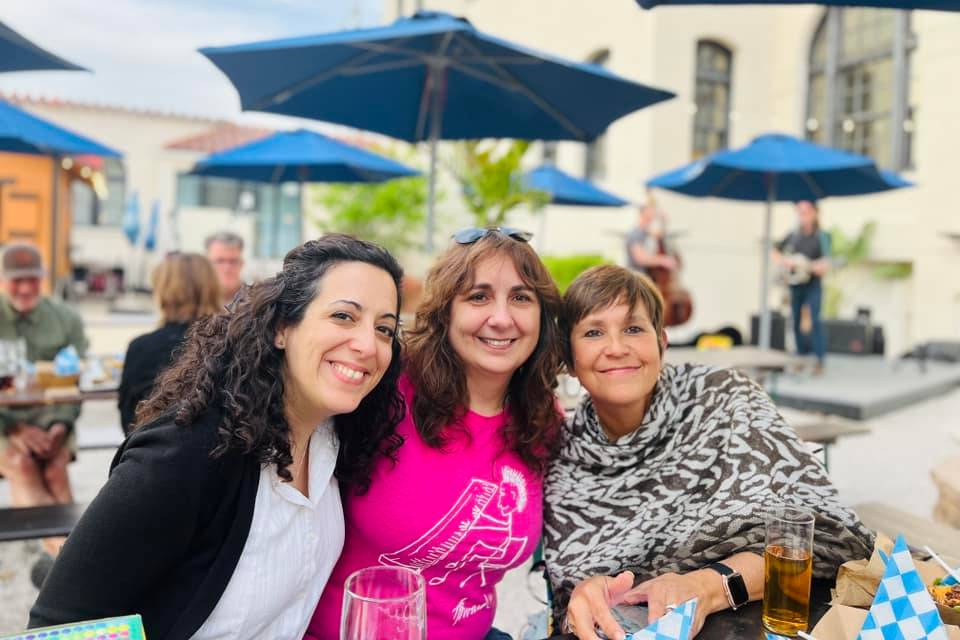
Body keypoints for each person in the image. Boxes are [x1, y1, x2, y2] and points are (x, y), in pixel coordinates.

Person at [30, 235, 406, 640]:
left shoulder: (339, 438)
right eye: (344, 317)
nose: (368, 344)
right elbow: (59, 627)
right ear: (283, 328)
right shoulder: (190, 452)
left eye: (385, 329)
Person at [544, 265, 874, 640]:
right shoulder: (562, 459)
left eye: (634, 328)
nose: (617, 348)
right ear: (568, 359)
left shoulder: (725, 399)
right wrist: (584, 600)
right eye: (593, 332)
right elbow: (568, 605)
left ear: (662, 342)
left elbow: (832, 538)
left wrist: (708, 586)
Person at [307, 227, 565, 640]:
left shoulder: (542, 420)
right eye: (478, 296)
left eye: (521, 297)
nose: (501, 318)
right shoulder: (384, 390)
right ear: (445, 313)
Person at [0, 242, 89, 561]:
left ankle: (70, 554)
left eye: (32, 279)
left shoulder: (66, 319)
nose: (25, 288)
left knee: (54, 468)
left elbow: (79, 379)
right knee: (21, 464)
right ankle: (69, 558)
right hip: (4, 425)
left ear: (43, 278)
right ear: (2, 278)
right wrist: (15, 429)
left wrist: (59, 424)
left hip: (54, 419)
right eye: (16, 280)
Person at [117, 252, 221, 434]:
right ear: (212, 288)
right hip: (223, 457)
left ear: (163, 290)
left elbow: (128, 421)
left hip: (153, 456)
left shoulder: (141, 348)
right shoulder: (232, 343)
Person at [771, 200, 832, 373]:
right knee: (796, 320)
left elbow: (825, 265)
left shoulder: (822, 236)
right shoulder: (793, 235)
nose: (802, 216)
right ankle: (800, 357)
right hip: (795, 285)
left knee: (815, 319)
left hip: (813, 284)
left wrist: (807, 266)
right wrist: (786, 262)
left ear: (814, 213)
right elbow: (775, 251)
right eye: (800, 212)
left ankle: (819, 361)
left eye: (805, 212)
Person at [625, 203, 675, 276]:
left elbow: (660, 235)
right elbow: (640, 258)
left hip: (646, 276)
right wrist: (663, 260)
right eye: (651, 210)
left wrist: (663, 221)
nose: (654, 213)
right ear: (644, 213)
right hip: (636, 278)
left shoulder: (646, 232)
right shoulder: (635, 233)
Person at [205, 230, 245, 306]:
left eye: (233, 261)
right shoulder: (194, 300)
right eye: (220, 261)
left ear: (242, 263)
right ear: (206, 264)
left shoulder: (254, 300)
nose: (227, 268)